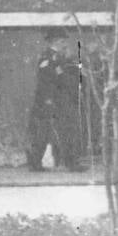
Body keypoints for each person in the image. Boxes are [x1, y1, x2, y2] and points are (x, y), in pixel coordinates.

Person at [27, 32, 87, 172]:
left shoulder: (60, 57)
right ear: (55, 42)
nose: (65, 44)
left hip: (60, 100)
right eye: (62, 42)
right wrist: (48, 100)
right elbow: (46, 81)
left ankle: (71, 163)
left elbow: (63, 74)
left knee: (65, 131)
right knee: (44, 132)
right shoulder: (47, 58)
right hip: (49, 102)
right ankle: (36, 164)